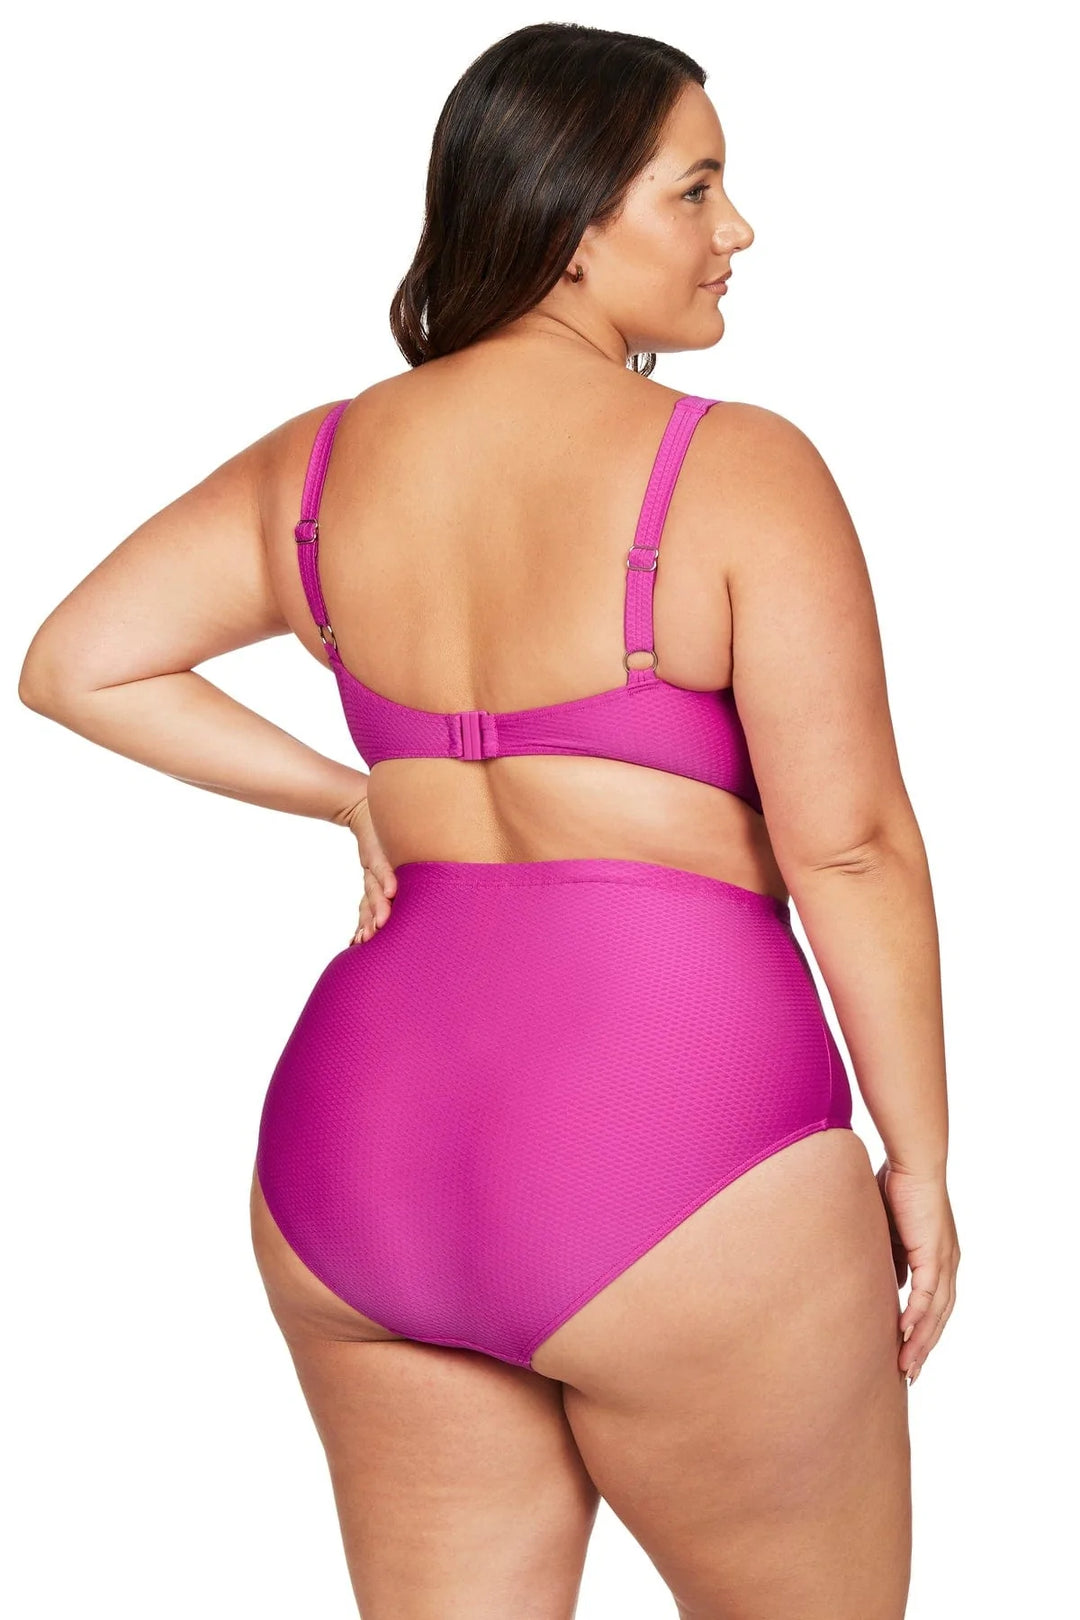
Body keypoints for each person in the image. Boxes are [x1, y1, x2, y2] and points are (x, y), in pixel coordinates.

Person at [18, 21, 960, 1620]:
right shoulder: (737, 469)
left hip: (362, 1164)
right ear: (577, 220)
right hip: (682, 1150)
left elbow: (77, 663)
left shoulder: (320, 465)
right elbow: (851, 843)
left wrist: (352, 792)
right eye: (696, 189)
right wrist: (919, 1163)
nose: (736, 230)